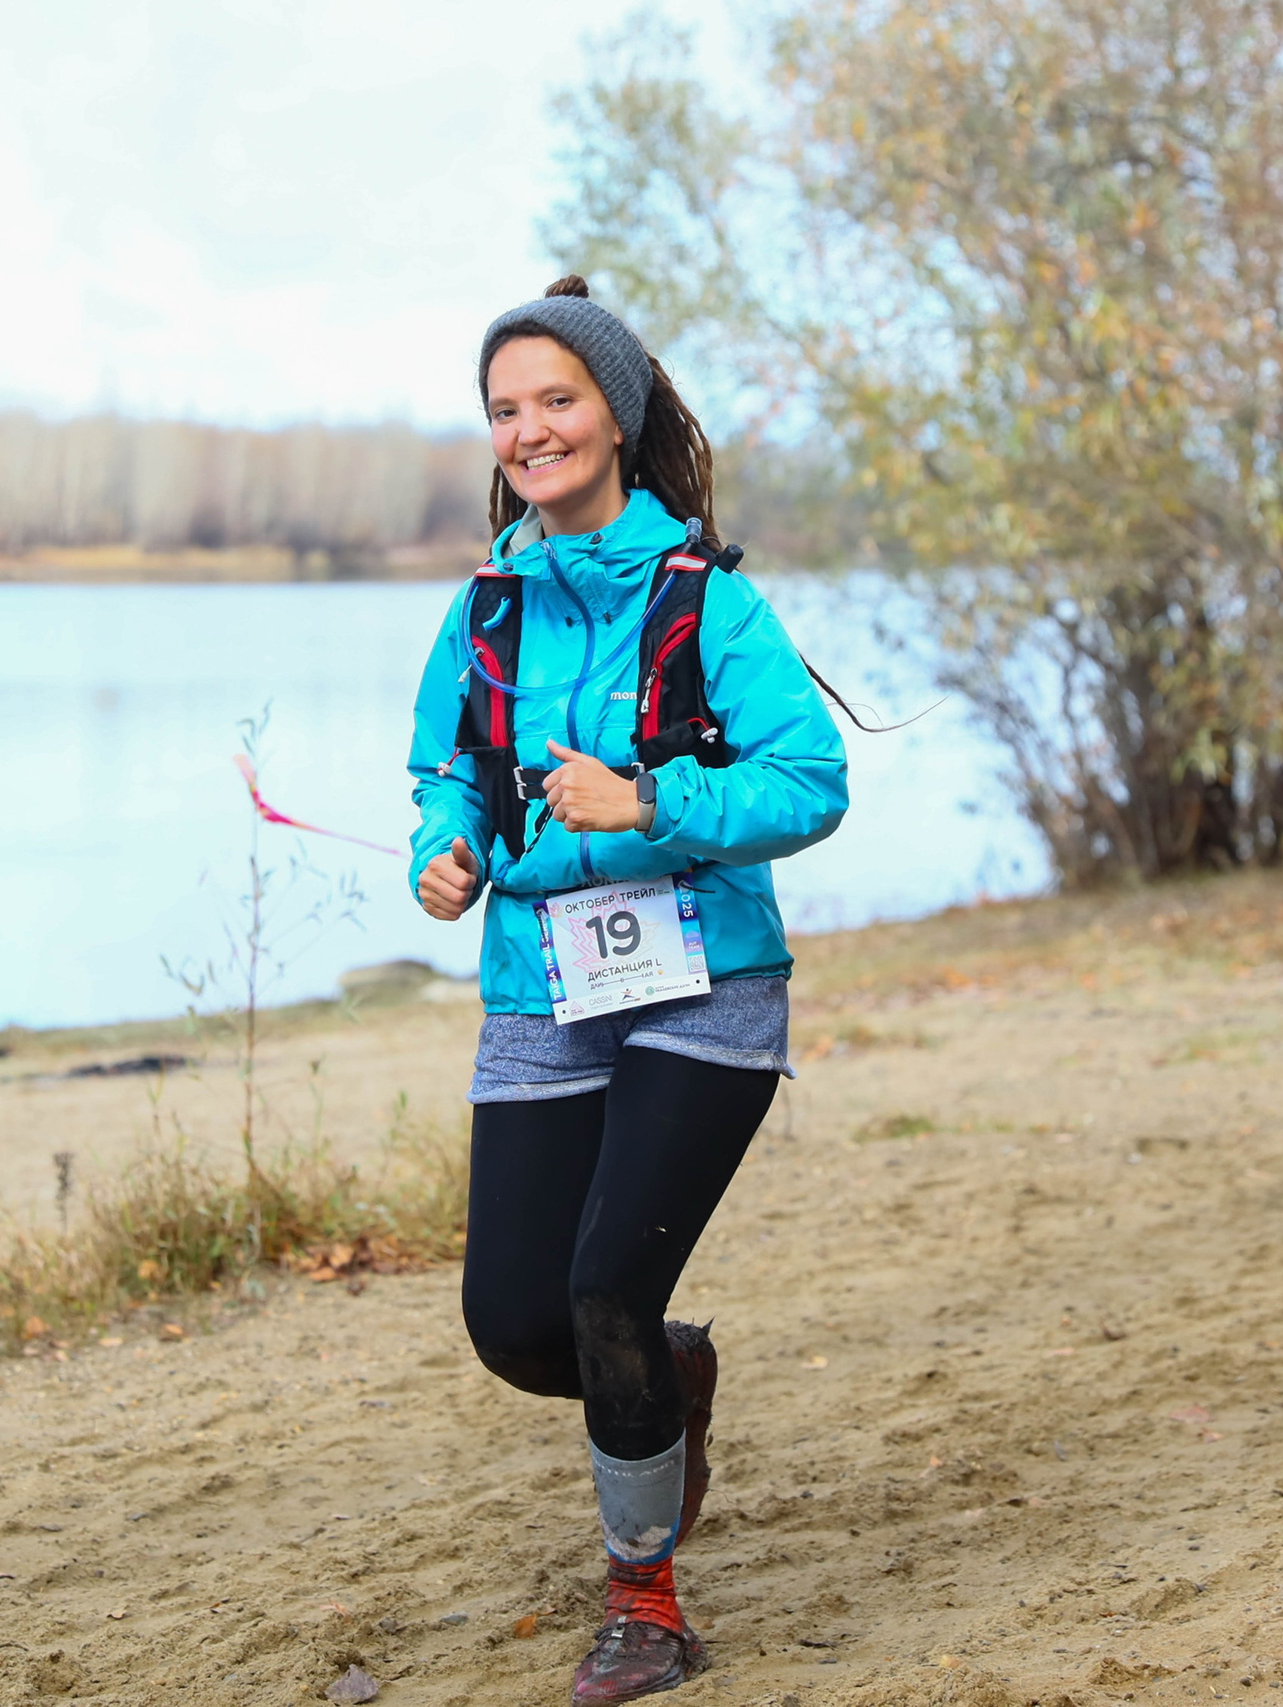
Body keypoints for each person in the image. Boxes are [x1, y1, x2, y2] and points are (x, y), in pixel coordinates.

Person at [405, 276, 849, 1702]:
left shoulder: (710, 601)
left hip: (704, 983)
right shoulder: (484, 610)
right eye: (506, 409)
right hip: (542, 984)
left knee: (605, 1285)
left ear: (617, 417)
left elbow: (810, 782)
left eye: (557, 399)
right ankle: (669, 1373)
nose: (529, 430)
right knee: (519, 1326)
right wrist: (445, 852)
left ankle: (646, 1606)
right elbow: (445, 771)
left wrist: (647, 801)